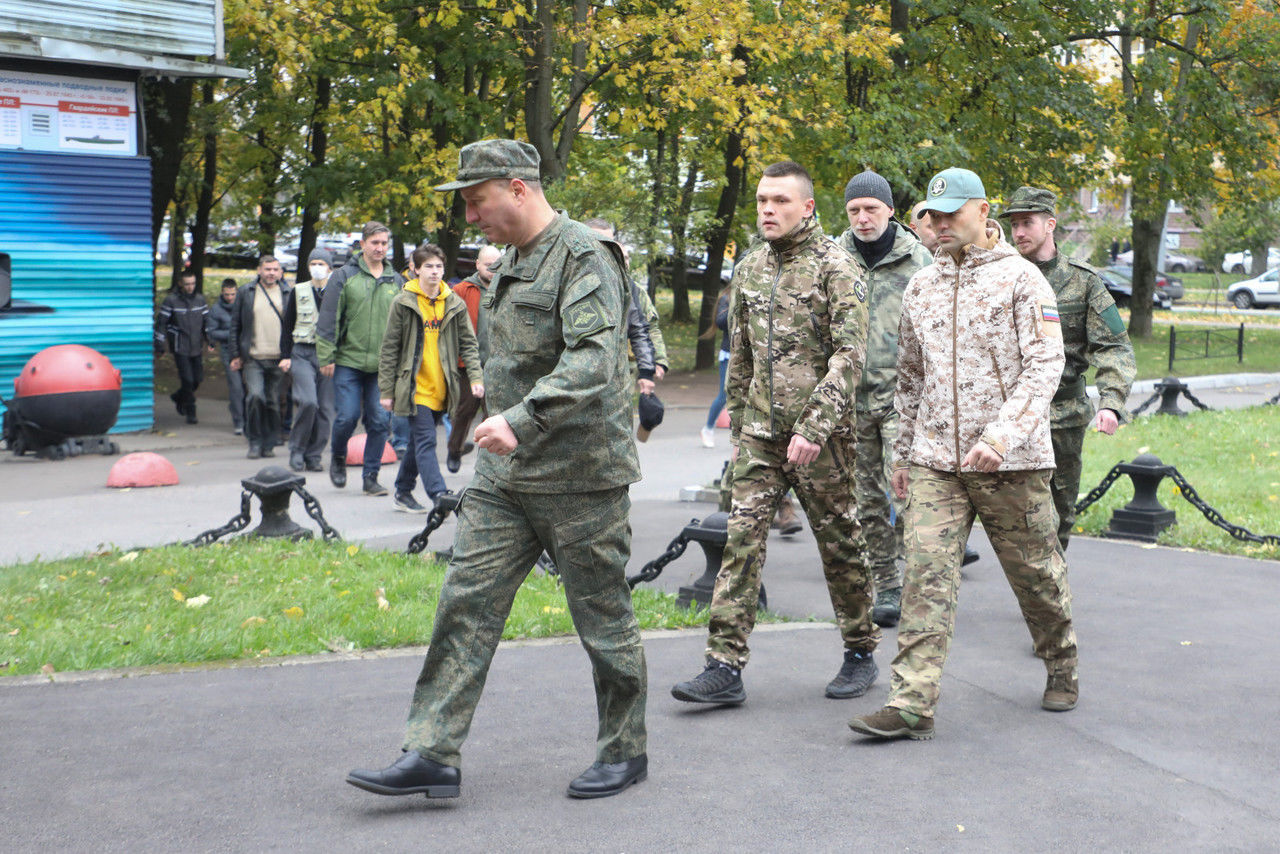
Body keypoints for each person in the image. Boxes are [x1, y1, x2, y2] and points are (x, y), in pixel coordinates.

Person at [346, 139, 648, 801]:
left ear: (517, 187)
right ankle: (431, 750)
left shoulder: (584, 256)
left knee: (601, 617)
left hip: (581, 475)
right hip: (506, 478)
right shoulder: (510, 262)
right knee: (465, 603)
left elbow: (594, 362)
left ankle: (624, 749)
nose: (471, 216)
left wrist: (520, 419)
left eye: (477, 200)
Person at [849, 167, 1076, 743]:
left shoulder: (1023, 281)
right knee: (925, 577)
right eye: (934, 214)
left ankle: (1061, 659)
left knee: (1036, 576)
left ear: (982, 212)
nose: (942, 223)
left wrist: (1000, 437)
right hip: (934, 461)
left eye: (953, 213)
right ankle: (911, 703)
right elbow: (910, 377)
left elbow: (1045, 366)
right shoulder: (921, 286)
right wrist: (902, 454)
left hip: (1011, 462)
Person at [670, 160, 877, 706]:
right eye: (762, 200)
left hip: (822, 440)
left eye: (780, 201)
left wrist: (813, 427)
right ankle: (723, 665)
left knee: (839, 546)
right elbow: (739, 356)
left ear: (807, 207)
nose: (767, 209)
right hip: (761, 435)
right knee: (739, 545)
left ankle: (860, 649)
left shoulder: (838, 267)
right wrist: (739, 425)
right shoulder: (751, 268)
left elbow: (850, 358)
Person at [1001, 186, 1135, 550]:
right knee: (1012, 513)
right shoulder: (1000, 277)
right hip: (1008, 414)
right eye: (1013, 225)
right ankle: (1033, 590)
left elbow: (1114, 346)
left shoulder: (1084, 281)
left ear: (1050, 225)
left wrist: (1111, 402)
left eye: (1027, 223)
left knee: (1059, 510)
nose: (1018, 233)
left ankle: (1050, 596)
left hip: (1062, 415)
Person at [835, 170, 934, 629]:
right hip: (851, 398)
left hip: (902, 399)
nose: (862, 218)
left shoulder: (919, 260)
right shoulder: (834, 257)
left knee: (910, 490)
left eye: (871, 209)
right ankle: (887, 584)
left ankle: (921, 581)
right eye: (854, 210)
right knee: (866, 498)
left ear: (890, 211)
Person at [378, 243, 483, 512]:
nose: (435, 272)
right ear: (415, 269)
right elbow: (390, 348)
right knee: (426, 440)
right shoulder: (403, 302)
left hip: (443, 387)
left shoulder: (453, 302)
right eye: (429, 267)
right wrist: (386, 391)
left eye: (438, 266)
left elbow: (468, 344)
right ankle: (439, 494)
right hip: (414, 387)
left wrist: (475, 377)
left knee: (416, 443)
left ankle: (402, 491)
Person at [316, 222, 404, 495]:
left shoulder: (396, 281)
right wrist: (326, 356)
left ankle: (371, 477)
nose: (379, 248)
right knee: (347, 417)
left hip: (382, 366)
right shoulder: (344, 276)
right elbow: (328, 318)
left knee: (379, 421)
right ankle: (338, 457)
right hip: (348, 362)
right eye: (374, 243)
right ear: (363, 243)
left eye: (384, 243)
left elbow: (404, 325)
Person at [229, 256, 292, 458]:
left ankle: (269, 442)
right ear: (259, 270)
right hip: (253, 357)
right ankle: (254, 442)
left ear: (281, 272)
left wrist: (290, 355)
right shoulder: (246, 292)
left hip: (279, 358)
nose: (271, 273)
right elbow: (235, 325)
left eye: (275, 269)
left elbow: (294, 327)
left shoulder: (288, 293)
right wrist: (235, 354)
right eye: (267, 269)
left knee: (273, 402)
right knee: (255, 397)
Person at [445, 244, 500, 472]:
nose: (493, 269)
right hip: (468, 364)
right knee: (464, 410)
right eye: (488, 265)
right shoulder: (462, 290)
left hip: (497, 364)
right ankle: (454, 450)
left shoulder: (506, 288)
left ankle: (489, 465)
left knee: (493, 414)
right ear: (477, 264)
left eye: (497, 265)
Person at [283, 249, 337, 472]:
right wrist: (285, 355)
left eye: (321, 264)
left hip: (328, 356)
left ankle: (314, 454)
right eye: (313, 263)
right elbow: (287, 325)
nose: (317, 267)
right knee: (308, 401)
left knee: (325, 408)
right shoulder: (298, 291)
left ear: (330, 268)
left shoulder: (337, 293)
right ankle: (297, 449)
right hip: (302, 353)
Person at [154, 271, 209, 425]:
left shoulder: (200, 300)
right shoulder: (171, 301)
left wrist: (210, 340)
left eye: (193, 283)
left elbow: (207, 322)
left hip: (196, 346)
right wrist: (160, 344)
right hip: (180, 346)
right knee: (187, 379)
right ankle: (190, 411)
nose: (190, 287)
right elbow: (161, 323)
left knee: (197, 379)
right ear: (181, 284)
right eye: (187, 284)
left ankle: (179, 396)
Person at [206, 277, 246, 435]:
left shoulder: (243, 306)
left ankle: (246, 416)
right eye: (227, 294)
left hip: (245, 350)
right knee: (236, 388)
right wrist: (232, 333)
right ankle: (239, 421)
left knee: (247, 387)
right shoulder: (216, 309)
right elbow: (212, 332)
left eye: (232, 294)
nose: (230, 297)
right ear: (222, 293)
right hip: (228, 351)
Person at [700, 285, 731, 448]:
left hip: (750, 354)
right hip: (729, 354)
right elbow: (720, 321)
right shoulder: (727, 297)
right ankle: (708, 429)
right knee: (724, 395)